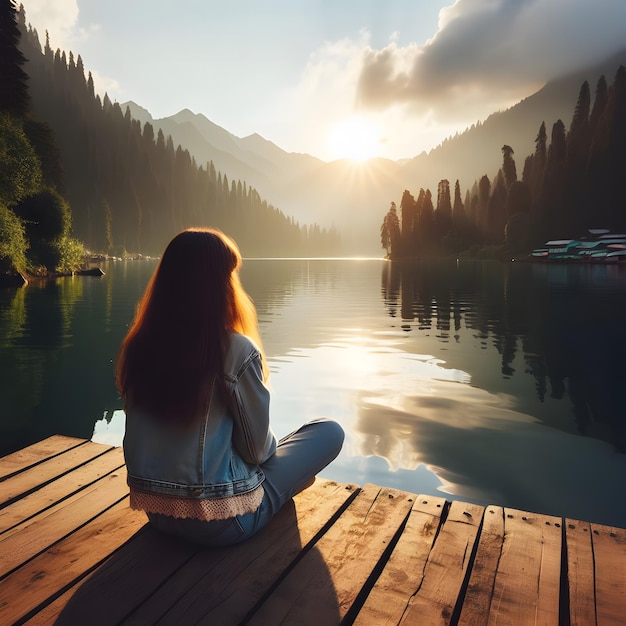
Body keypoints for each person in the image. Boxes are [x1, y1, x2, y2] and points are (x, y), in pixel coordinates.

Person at [115, 227, 344, 547]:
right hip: (221, 522)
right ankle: (286, 487)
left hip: (158, 513)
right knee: (329, 431)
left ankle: (286, 482)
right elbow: (258, 451)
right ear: (218, 285)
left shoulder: (139, 346)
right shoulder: (235, 350)